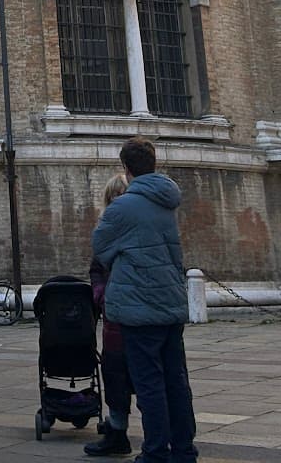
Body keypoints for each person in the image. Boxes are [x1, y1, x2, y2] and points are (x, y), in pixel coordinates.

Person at [91, 136, 197, 463]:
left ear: (125, 167)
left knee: (149, 385)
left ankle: (154, 453)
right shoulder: (167, 199)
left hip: (139, 309)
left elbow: (101, 248)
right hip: (170, 304)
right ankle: (183, 450)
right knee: (176, 381)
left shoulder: (123, 206)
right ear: (154, 163)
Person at [86, 171, 135, 456]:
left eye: (123, 194)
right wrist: (102, 295)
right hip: (114, 319)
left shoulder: (140, 228)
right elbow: (96, 269)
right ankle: (117, 432)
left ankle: (159, 434)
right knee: (114, 377)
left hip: (138, 317)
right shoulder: (104, 229)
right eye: (113, 196)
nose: (118, 200)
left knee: (144, 378)